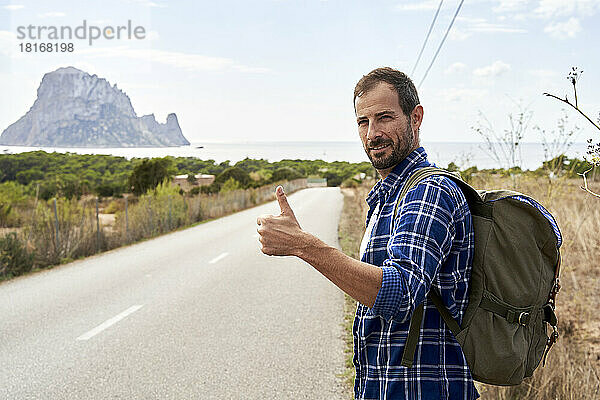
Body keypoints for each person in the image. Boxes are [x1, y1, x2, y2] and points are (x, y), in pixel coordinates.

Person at [256, 67, 478, 400]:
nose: (372, 133)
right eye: (363, 122)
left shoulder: (430, 192)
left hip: (424, 390)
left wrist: (303, 245)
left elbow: (400, 294)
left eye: (385, 118)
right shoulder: (389, 195)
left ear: (415, 118)